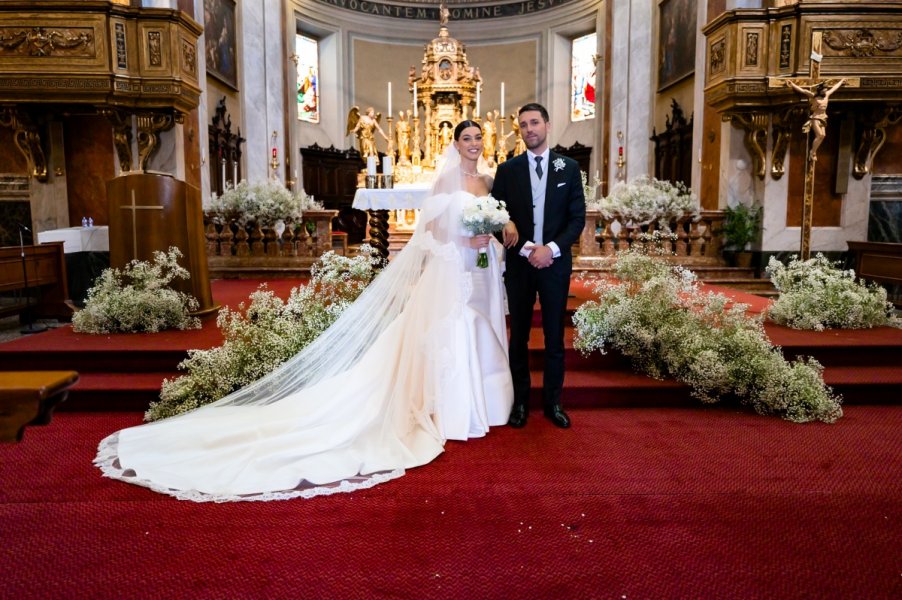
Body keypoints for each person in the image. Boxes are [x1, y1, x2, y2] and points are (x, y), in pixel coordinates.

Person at [94, 122, 516, 502]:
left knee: (476, 328)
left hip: (476, 273)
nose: (474, 145)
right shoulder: (444, 180)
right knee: (449, 331)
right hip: (450, 268)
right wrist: (466, 242)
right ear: (455, 144)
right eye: (467, 139)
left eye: (479, 138)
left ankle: (483, 404)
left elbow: (494, 223)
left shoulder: (487, 181)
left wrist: (495, 235)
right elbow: (431, 232)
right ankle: (451, 407)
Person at [491, 103, 586, 429]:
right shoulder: (508, 170)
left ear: (547, 124)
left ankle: (553, 402)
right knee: (517, 335)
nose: (529, 128)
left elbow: (577, 219)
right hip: (520, 264)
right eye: (523, 124)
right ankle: (520, 403)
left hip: (555, 265)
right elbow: (495, 217)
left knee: (554, 337)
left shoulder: (569, 167)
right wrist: (526, 245)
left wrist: (552, 249)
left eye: (534, 122)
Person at [787, 78, 845, 161]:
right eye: (824, 90)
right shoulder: (814, 96)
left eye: (826, 90)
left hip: (823, 117)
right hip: (815, 118)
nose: (825, 91)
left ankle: (814, 151)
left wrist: (841, 81)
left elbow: (834, 88)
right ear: (820, 90)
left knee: (823, 135)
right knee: (820, 135)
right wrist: (792, 84)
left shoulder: (827, 95)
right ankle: (812, 152)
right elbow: (803, 91)